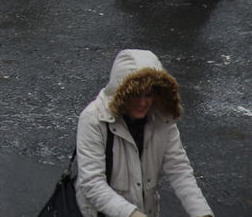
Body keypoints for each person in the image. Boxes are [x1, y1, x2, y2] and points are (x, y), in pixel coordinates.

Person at [74, 49, 214, 217]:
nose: (142, 103)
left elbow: (179, 170)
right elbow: (92, 184)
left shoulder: (162, 119)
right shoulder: (93, 119)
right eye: (135, 95)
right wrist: (132, 214)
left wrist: (202, 213)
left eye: (148, 95)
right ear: (121, 93)